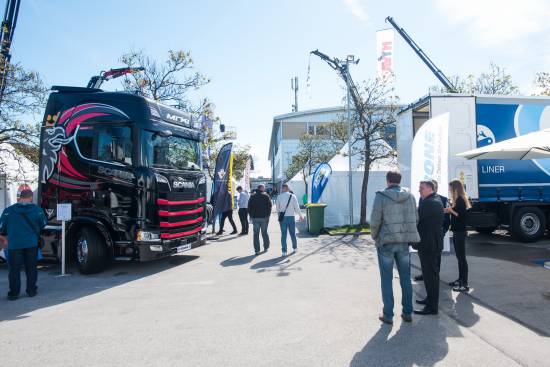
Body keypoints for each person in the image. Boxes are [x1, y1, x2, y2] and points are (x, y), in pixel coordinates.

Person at [370, 170, 420, 324]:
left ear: (387, 181)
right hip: (404, 242)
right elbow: (415, 218)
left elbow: (374, 221)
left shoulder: (381, 196)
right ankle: (407, 312)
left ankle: (388, 315)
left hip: (386, 242)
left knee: (386, 279)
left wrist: (375, 236)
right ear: (399, 180)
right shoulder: (410, 196)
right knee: (405, 278)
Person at [0, 189, 47, 301]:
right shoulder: (37, 210)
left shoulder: (8, 211)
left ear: (20, 197)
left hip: (14, 245)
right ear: (31, 197)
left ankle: (13, 294)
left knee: (14, 269)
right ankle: (31, 291)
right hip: (31, 244)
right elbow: (43, 224)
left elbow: (2, 228)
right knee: (31, 268)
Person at [414, 180, 444, 315]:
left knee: (431, 276)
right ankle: (430, 300)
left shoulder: (429, 203)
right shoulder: (434, 200)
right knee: (429, 275)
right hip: (431, 244)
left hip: (429, 245)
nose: (419, 190)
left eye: (422, 188)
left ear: (430, 189)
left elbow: (415, 218)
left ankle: (432, 307)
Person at [414, 179, 450, 282]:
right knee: (427, 263)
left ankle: (434, 276)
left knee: (435, 261)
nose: (420, 191)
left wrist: (442, 232)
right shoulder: (423, 199)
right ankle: (426, 275)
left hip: (437, 235)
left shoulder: (442, 199)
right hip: (426, 237)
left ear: (433, 188)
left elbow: (447, 219)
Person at [444, 179, 471, 292]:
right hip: (457, 232)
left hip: (460, 232)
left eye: (450, 188)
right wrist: (447, 209)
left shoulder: (460, 199)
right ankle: (460, 279)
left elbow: (461, 215)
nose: (449, 190)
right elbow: (453, 211)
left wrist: (451, 210)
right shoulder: (457, 200)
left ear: (455, 188)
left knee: (462, 258)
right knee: (459, 258)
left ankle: (464, 284)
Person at [275, 184, 303, 256]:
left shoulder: (279, 197)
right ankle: (295, 248)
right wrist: (300, 215)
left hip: (283, 217)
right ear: (288, 188)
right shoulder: (292, 196)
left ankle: (284, 251)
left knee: (283, 235)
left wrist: (279, 216)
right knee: (292, 234)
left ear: (283, 189)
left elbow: (277, 208)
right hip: (291, 217)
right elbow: (296, 207)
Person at [247, 184, 272, 255]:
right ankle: (266, 246)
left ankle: (257, 250)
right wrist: (268, 215)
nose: (264, 189)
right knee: (264, 232)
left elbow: (249, 207)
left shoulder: (252, 196)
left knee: (256, 234)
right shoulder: (266, 196)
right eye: (264, 188)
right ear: (262, 188)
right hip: (264, 217)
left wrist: (251, 215)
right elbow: (270, 206)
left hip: (255, 218)